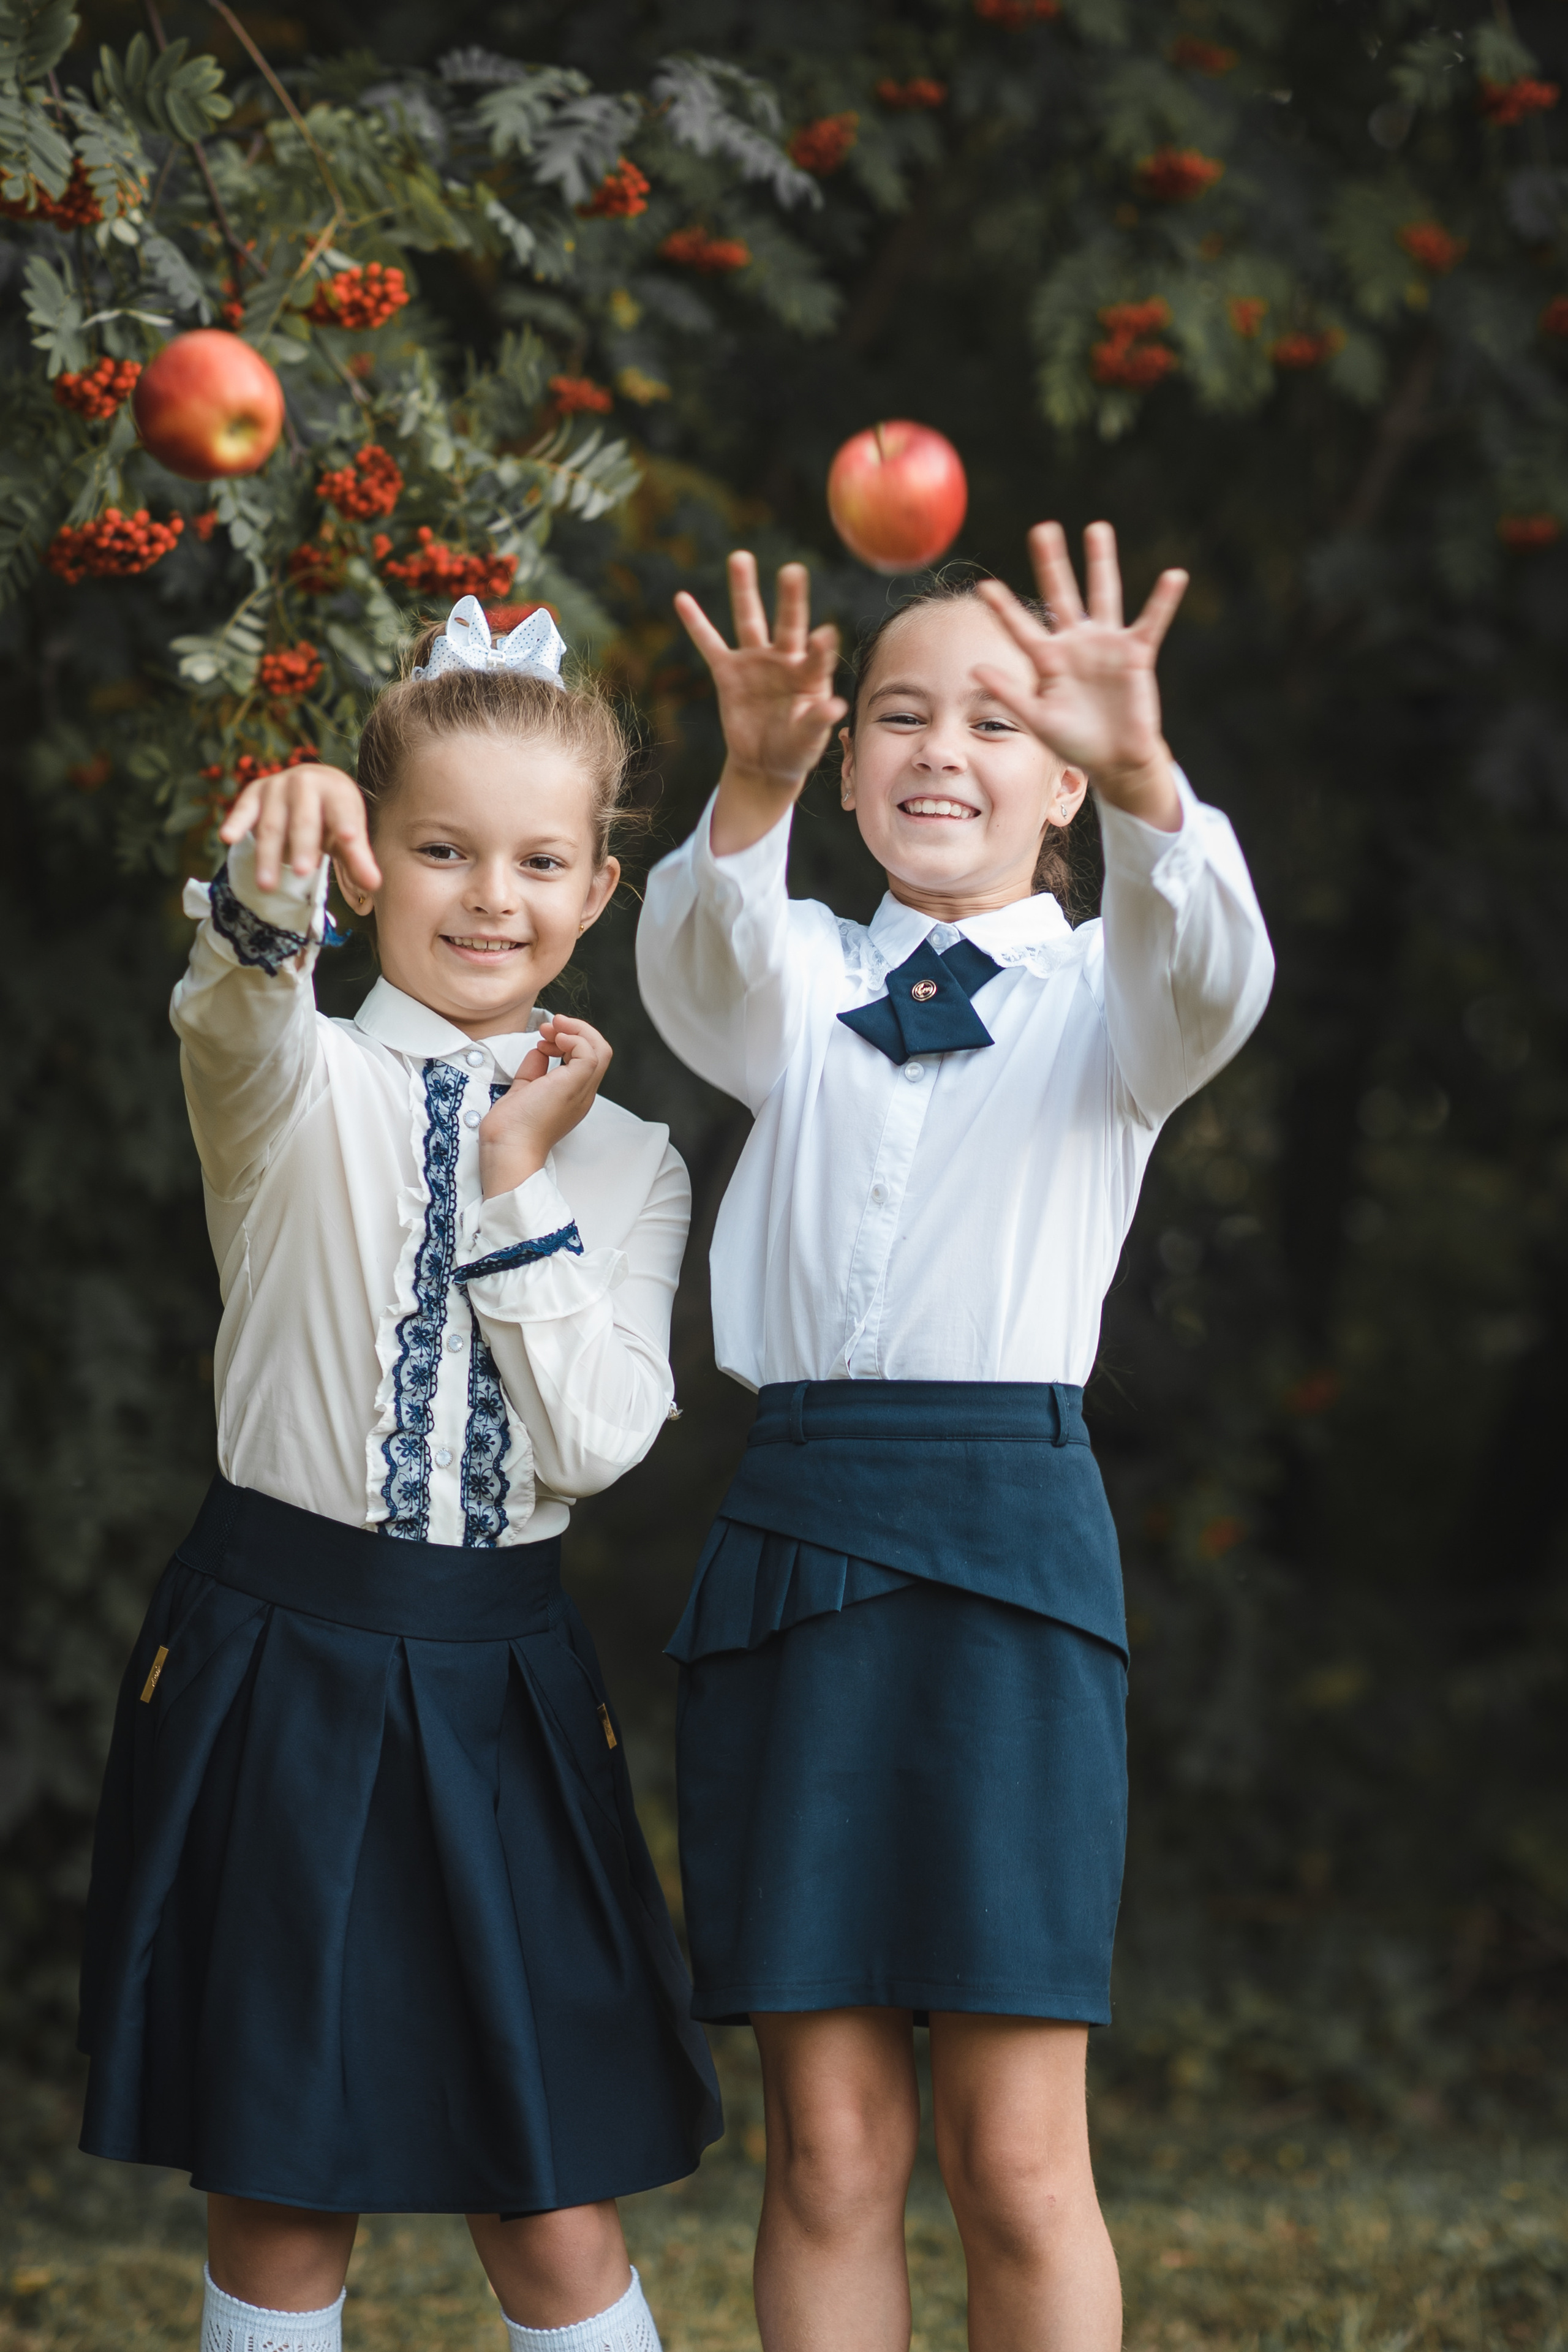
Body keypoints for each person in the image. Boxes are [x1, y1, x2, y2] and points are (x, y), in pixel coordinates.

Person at [636, 524, 1275, 2352]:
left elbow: (1212, 961)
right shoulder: (796, 986)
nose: (941, 750)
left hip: (1012, 1551)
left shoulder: (1114, 1004)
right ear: (846, 768)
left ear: (1063, 776)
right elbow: (698, 959)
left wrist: (1155, 772)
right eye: (898, 716)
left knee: (1013, 2156)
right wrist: (746, 785)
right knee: (828, 2148)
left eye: (998, 722)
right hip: (794, 1545)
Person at [78, 599, 720, 2352]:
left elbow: (596, 1440)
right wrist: (274, 868)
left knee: (548, 2182)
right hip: (282, 1653)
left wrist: (520, 1178)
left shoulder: (639, 1160)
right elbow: (232, 997)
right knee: (281, 2176)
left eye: (537, 860)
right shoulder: (295, 1081)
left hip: (501, 1677)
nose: (489, 897)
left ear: (599, 891)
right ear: (378, 866)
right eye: (439, 848)